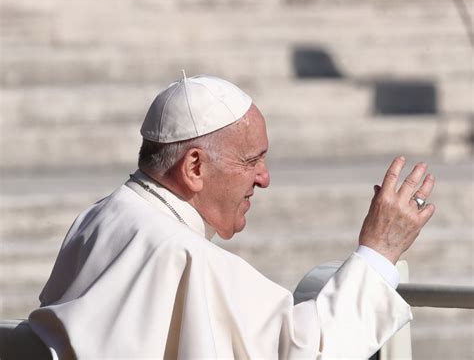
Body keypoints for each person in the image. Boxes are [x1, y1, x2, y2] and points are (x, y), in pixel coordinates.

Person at [28, 74, 435, 359]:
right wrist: (379, 251)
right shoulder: (185, 256)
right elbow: (310, 351)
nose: (265, 178)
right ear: (195, 168)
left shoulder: (101, 218)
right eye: (251, 160)